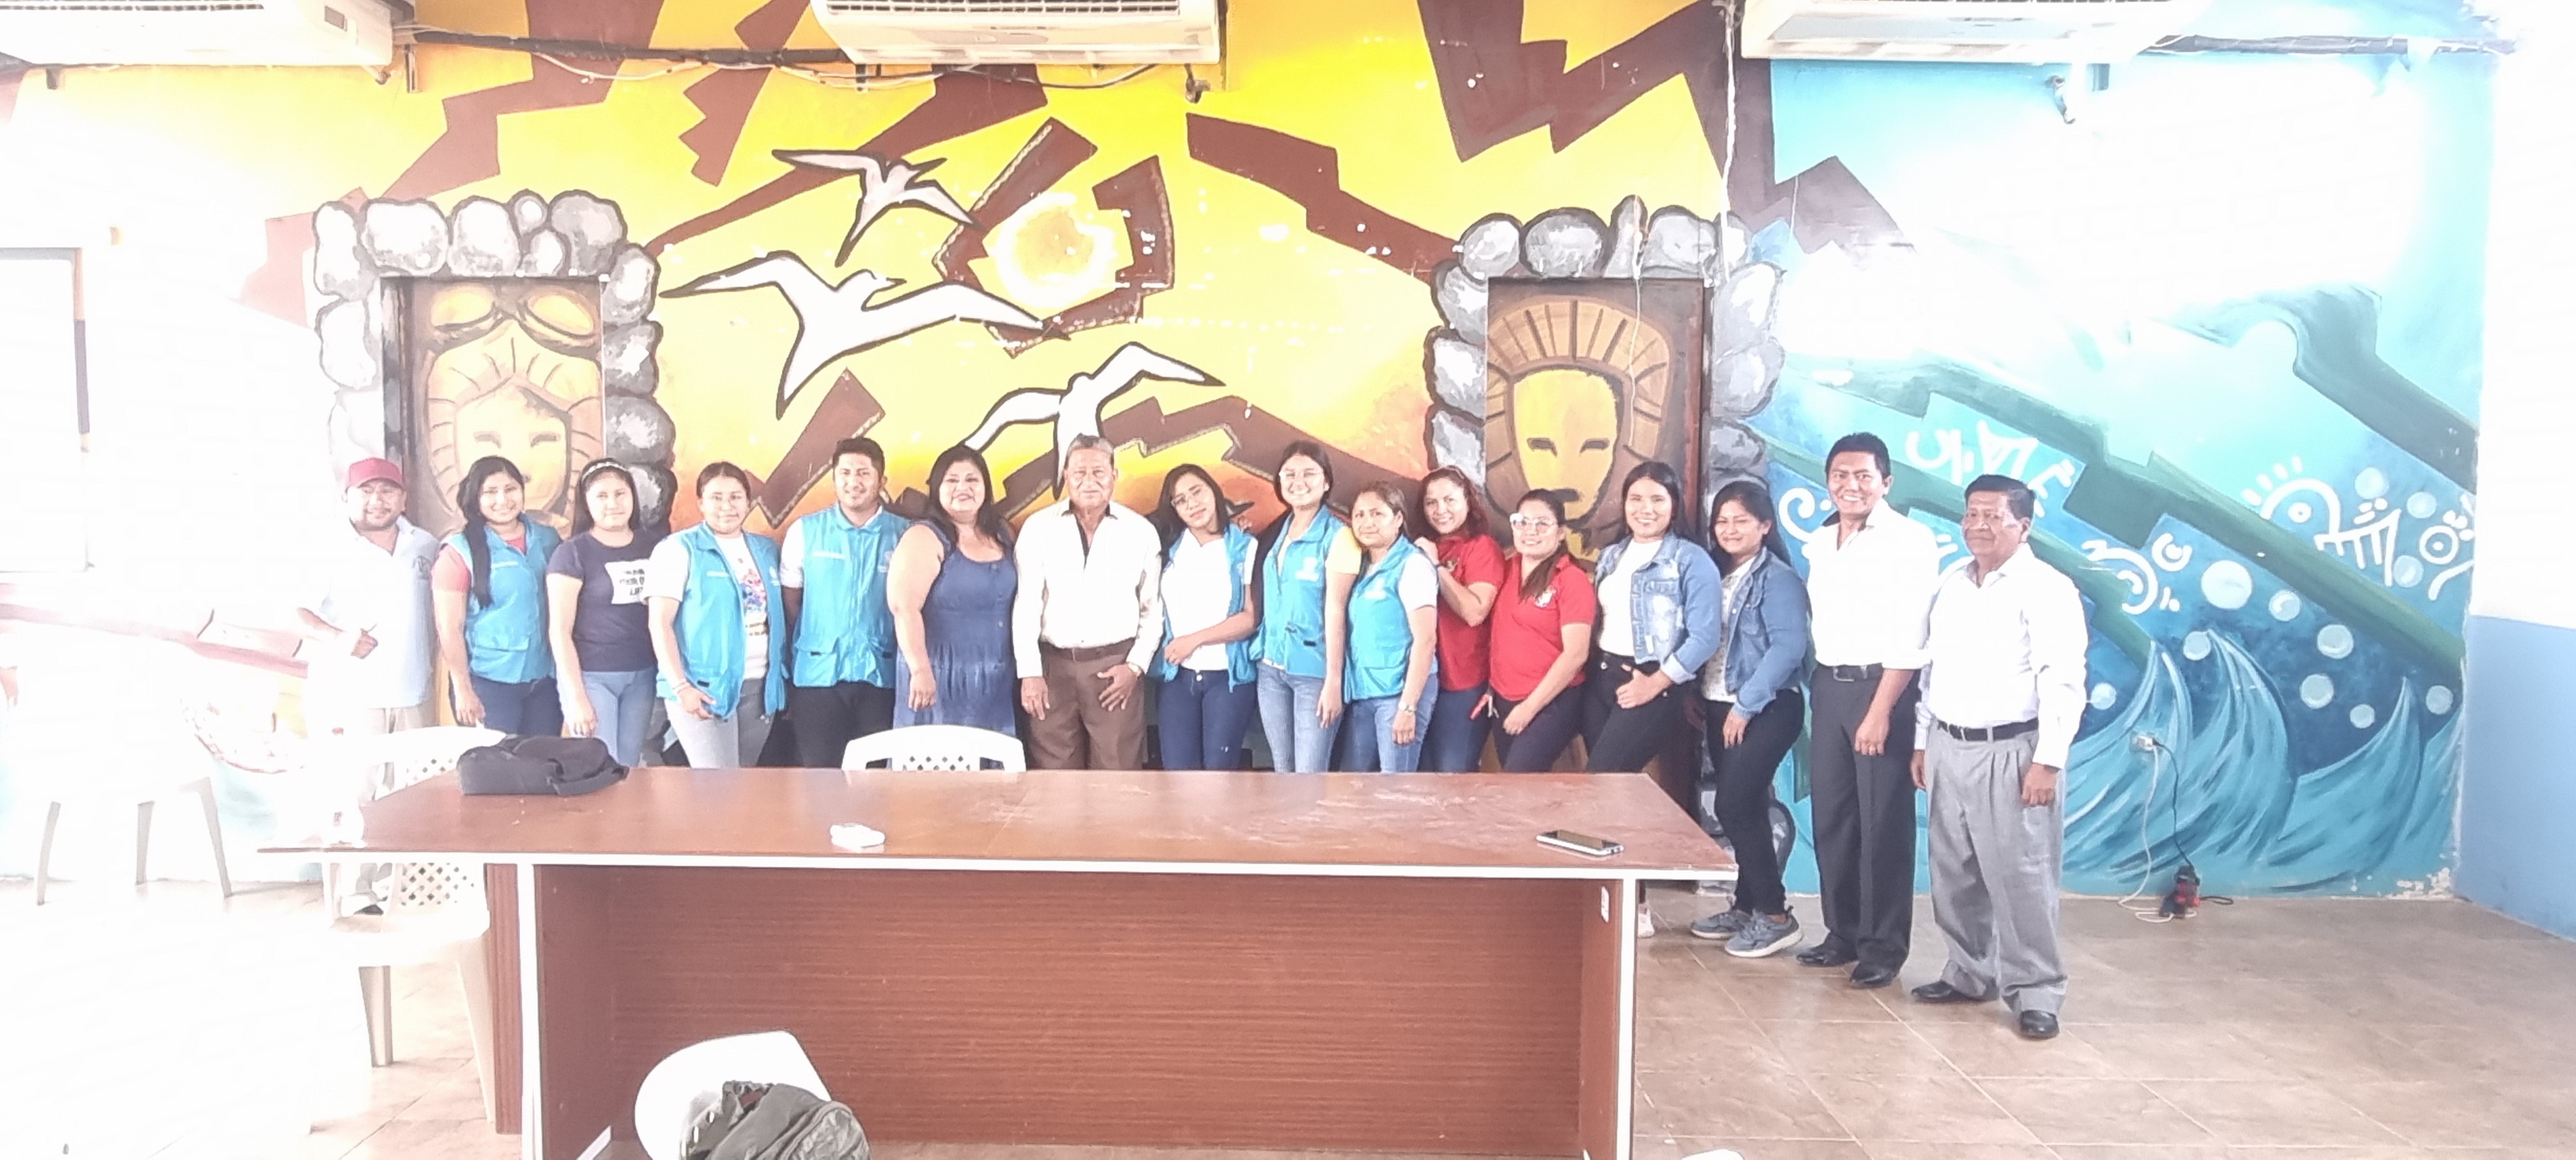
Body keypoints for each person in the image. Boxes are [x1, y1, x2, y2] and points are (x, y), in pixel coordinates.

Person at [1908, 475, 2087, 1041]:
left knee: (2021, 876)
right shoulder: (1951, 584)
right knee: (1954, 871)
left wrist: (2048, 761)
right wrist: (1922, 740)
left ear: (2023, 526)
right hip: (1948, 744)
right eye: (1971, 514)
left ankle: (2037, 992)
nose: (1978, 525)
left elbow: (2063, 679)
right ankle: (1968, 972)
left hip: (2013, 749)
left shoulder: (2047, 588)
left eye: (1993, 516)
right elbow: (1931, 669)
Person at [1797, 432, 1942, 989]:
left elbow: (1912, 634)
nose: (1850, 485)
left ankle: (1883, 947)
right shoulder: (1821, 541)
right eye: (1840, 475)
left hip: (1883, 689)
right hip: (1830, 685)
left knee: (1883, 821)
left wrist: (1881, 711)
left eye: (1863, 475)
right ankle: (1843, 932)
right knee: (1834, 816)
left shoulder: (1909, 540)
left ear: (1886, 482)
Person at [1687, 480, 1813, 958]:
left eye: (1741, 520)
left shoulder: (1777, 579)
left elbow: (1788, 648)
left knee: (1735, 805)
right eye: (1722, 520)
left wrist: (1745, 706)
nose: (1730, 529)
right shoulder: (1716, 574)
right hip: (1720, 704)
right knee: (1751, 805)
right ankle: (1746, 907)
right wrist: (1700, 694)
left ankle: (1776, 916)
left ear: (1765, 526)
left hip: (1766, 707)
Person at [1013, 435, 1164, 770]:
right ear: (1066, 476)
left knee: (1117, 773)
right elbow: (1026, 606)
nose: (1089, 481)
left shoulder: (1140, 531)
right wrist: (1030, 673)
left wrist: (1134, 667)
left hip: (1114, 669)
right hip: (1052, 669)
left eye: (1099, 472)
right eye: (1079, 473)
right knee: (1054, 774)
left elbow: (1152, 611)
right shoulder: (1038, 528)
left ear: (1114, 476)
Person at [1584, 461, 1722, 775]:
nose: (1646, 509)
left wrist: (1655, 683)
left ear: (1674, 507)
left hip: (1653, 679)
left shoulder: (1691, 559)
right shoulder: (1611, 555)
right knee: (1612, 787)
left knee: (1602, 778)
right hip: (1601, 677)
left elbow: (1705, 637)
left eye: (1657, 499)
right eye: (1636, 499)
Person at [645, 462, 786, 767]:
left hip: (759, 687)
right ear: (701, 503)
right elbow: (660, 623)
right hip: (703, 689)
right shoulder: (677, 549)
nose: (727, 506)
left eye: (735, 497)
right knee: (717, 785)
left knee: (743, 783)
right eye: (716, 498)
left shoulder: (766, 549)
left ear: (748, 502)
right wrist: (681, 687)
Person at [781, 438, 910, 767]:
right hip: (818, 678)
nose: (854, 482)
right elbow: (792, 601)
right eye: (845, 473)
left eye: (864, 473)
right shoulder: (805, 531)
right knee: (820, 778)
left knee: (874, 780)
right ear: (834, 478)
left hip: (881, 676)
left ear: (882, 480)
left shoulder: (905, 535)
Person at [298, 457, 441, 745]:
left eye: (387, 491)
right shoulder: (325, 546)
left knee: (415, 775)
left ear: (403, 499)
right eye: (366, 491)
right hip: (348, 698)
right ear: (346, 497)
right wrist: (338, 637)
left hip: (414, 696)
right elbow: (295, 613)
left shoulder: (425, 545)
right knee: (353, 776)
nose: (377, 500)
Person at [890, 445, 1018, 735]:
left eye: (972, 480)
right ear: (937, 489)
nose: (963, 488)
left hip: (995, 682)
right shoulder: (923, 536)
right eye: (952, 480)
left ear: (986, 487)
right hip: (938, 679)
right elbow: (904, 608)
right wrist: (920, 670)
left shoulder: (1002, 533)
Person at [433, 455, 565, 735]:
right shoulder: (459, 552)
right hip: (488, 684)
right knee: (496, 761)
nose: (502, 500)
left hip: (544, 680)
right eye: (490, 492)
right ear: (476, 498)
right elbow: (449, 628)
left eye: (510, 489)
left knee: (543, 759)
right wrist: (463, 689)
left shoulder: (548, 539)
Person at [545, 459, 662, 767]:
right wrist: (576, 697)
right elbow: (559, 631)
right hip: (592, 676)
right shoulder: (572, 554)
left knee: (629, 765)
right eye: (602, 496)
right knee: (600, 766)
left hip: (642, 674)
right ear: (587, 502)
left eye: (621, 494)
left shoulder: (655, 547)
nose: (613, 503)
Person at [1253, 442, 1357, 772]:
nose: (1298, 481)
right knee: (1282, 769)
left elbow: (1337, 610)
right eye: (1290, 474)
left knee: (1309, 775)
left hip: (1314, 672)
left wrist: (1333, 682)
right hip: (1271, 668)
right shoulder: (1275, 533)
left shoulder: (1340, 537)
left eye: (1309, 473)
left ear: (1326, 482)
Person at [1151, 464, 1260, 770]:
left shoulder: (1243, 547)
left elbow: (1249, 618)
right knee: (1178, 775)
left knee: (1219, 778)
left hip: (1226, 678)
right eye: (1181, 500)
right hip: (1177, 677)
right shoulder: (1168, 547)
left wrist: (1194, 640)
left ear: (1213, 490)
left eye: (1196, 492)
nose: (1192, 504)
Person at [1479, 491, 1595, 772]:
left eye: (1542, 523)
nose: (1531, 531)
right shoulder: (1506, 569)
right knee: (1517, 785)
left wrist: (1528, 709)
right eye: (1522, 522)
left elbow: (1576, 655)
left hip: (1550, 702)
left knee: (1518, 780)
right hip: (1504, 698)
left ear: (1561, 533)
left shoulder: (1571, 579)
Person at [1334, 482, 1441, 772]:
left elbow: (1426, 640)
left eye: (1377, 514)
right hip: (1364, 693)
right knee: (1354, 784)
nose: (1367, 522)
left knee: (1395, 785)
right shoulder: (1360, 566)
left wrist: (1408, 707)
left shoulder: (1412, 565)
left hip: (1399, 694)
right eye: (1359, 515)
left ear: (1398, 519)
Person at [1415, 467, 1503, 770]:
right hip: (1421, 680)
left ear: (1468, 500)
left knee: (1452, 778)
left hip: (1463, 682)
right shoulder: (1424, 547)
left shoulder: (1482, 548)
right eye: (1431, 502)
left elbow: (1474, 612)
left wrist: (1436, 567)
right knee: (1419, 778)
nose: (1440, 510)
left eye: (1449, 500)